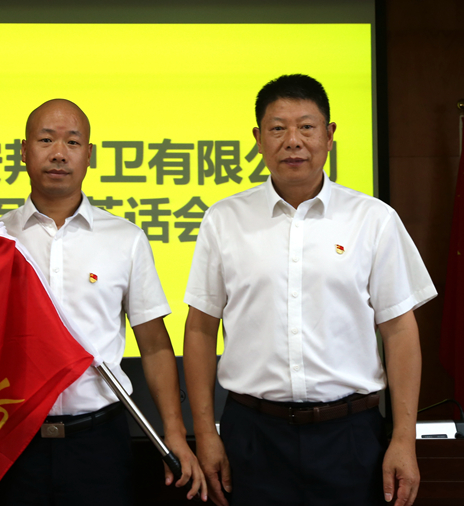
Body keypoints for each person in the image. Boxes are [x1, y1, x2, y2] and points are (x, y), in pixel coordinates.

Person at [183, 74, 436, 506]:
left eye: (306, 127)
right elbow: (201, 329)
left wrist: (403, 439)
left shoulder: (373, 219)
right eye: (278, 128)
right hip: (253, 435)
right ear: (258, 139)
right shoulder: (224, 220)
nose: (293, 141)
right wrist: (205, 433)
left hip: (350, 435)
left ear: (329, 135)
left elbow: (399, 332)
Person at [0, 98, 206, 506]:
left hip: (99, 444)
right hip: (12, 443)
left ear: (89, 154)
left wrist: (175, 432)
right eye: (46, 140)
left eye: (72, 142)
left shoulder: (124, 239)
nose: (58, 153)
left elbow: (154, 346)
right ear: (23, 151)